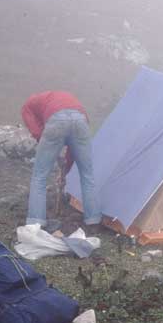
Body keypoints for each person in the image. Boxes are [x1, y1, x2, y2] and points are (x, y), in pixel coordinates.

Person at [21, 91, 101, 232]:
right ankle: (93, 220)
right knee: (87, 175)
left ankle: (36, 222)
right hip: (81, 120)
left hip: (56, 120)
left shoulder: (28, 106)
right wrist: (66, 170)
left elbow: (37, 133)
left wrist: (51, 152)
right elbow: (72, 152)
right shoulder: (58, 98)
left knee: (39, 176)